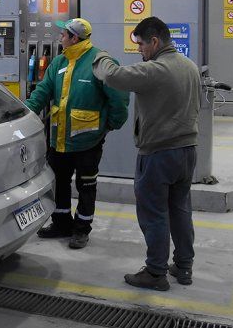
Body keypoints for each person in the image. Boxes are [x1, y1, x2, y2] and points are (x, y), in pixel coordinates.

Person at [92, 16, 201, 291]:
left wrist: (100, 55)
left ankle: (155, 272)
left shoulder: (156, 69)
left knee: (153, 214)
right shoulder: (190, 66)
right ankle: (184, 266)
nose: (139, 50)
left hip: (159, 153)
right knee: (180, 209)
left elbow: (113, 76)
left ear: (154, 41)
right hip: (188, 151)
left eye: (141, 44)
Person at [25, 18, 129, 249]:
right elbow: (41, 92)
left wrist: (110, 124)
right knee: (58, 182)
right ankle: (62, 223)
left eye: (63, 35)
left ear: (74, 38)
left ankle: (82, 229)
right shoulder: (59, 62)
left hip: (88, 141)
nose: (59, 38)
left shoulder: (100, 62)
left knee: (86, 185)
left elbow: (119, 97)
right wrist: (23, 114)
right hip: (59, 139)